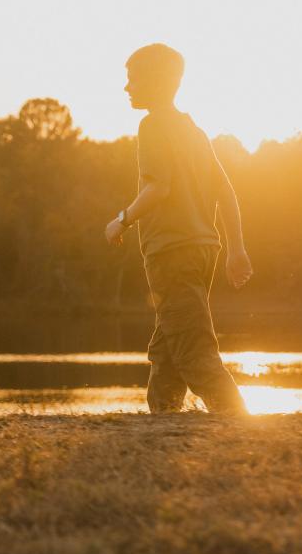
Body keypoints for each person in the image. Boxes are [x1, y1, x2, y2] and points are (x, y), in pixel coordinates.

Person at [104, 43, 252, 415]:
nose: (127, 88)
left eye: (132, 79)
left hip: (171, 252)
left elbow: (159, 187)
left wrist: (121, 219)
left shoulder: (152, 125)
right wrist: (236, 249)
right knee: (169, 348)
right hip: (203, 251)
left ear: (153, 82)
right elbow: (226, 191)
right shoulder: (194, 131)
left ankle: (242, 428)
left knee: (195, 352)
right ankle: (164, 420)